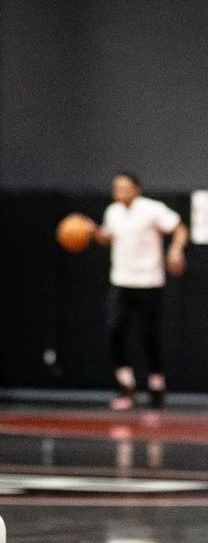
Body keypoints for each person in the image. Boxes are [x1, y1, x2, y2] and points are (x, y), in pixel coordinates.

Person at [90, 172, 187, 410]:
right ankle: (127, 385)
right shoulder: (112, 212)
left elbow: (180, 228)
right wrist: (91, 231)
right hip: (121, 281)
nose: (119, 191)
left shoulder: (151, 209)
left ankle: (156, 387)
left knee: (148, 335)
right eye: (116, 187)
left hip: (148, 281)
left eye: (124, 187)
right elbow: (107, 237)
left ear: (136, 189)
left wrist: (175, 250)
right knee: (114, 330)